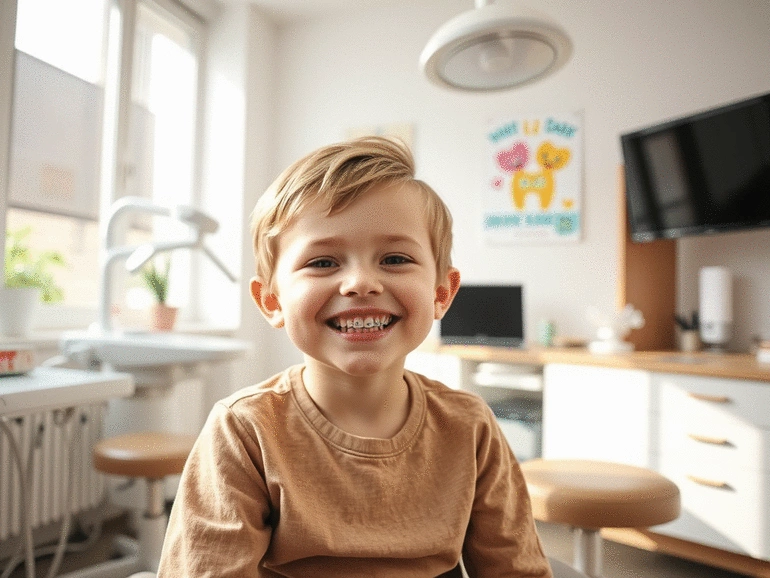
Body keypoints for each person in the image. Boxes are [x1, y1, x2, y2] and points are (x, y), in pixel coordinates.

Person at [157, 136, 553, 577]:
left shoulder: (470, 427)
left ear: (441, 293)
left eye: (395, 258)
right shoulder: (244, 431)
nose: (361, 283)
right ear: (272, 300)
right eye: (323, 262)